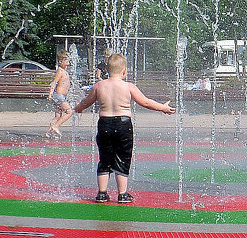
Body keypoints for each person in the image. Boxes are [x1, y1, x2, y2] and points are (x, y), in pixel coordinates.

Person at [73, 53, 175, 204]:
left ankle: (102, 193)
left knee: (105, 157)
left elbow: (87, 102)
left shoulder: (99, 86)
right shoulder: (128, 86)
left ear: (107, 70)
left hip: (105, 123)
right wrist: (162, 108)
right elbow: (145, 102)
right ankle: (122, 194)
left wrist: (78, 108)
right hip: (123, 124)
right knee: (123, 156)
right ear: (125, 71)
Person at [45, 51, 73, 139]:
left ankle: (49, 132)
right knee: (69, 112)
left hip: (61, 96)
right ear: (60, 61)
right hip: (58, 96)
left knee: (58, 115)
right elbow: (54, 82)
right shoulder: (60, 71)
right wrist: (50, 93)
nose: (68, 63)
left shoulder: (64, 71)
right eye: (66, 61)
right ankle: (56, 126)